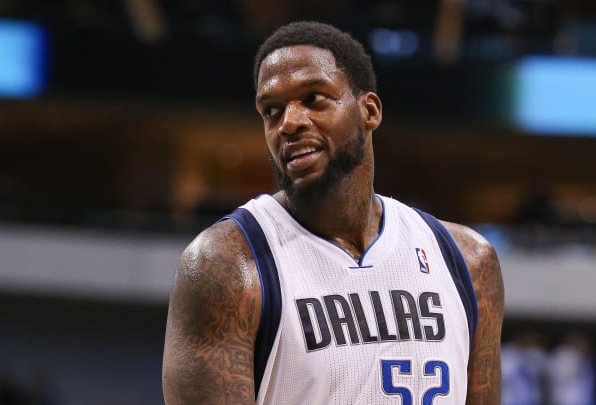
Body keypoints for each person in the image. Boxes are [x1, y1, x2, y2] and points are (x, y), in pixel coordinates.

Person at [162, 21, 504, 404]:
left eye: (313, 98)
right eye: (271, 111)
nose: (288, 123)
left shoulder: (466, 260)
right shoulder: (226, 265)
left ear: (369, 111)